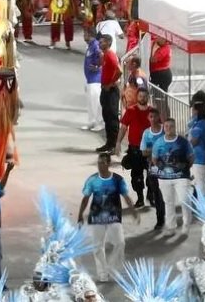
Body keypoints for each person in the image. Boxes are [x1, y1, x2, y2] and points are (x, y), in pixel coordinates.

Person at [77, 153, 138, 284]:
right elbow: (85, 199)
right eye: (99, 162)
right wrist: (80, 215)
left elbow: (126, 197)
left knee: (120, 243)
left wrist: (134, 212)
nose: (100, 165)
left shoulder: (117, 179)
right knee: (97, 246)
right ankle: (102, 273)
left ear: (109, 164)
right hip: (96, 217)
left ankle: (111, 267)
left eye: (103, 162)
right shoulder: (92, 180)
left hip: (114, 217)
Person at [152, 117, 193, 236]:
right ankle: (171, 226)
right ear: (163, 128)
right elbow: (154, 159)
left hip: (181, 177)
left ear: (175, 127)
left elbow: (191, 158)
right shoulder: (158, 142)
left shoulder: (183, 142)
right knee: (168, 202)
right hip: (164, 178)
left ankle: (186, 225)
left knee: (184, 200)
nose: (169, 129)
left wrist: (182, 169)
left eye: (171, 126)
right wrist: (163, 169)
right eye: (166, 126)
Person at [114, 87, 152, 206]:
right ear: (137, 97)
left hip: (150, 150)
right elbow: (124, 128)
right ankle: (140, 198)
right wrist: (118, 142)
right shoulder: (131, 111)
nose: (142, 98)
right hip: (135, 149)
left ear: (148, 97)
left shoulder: (153, 111)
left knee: (152, 175)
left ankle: (150, 196)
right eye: (140, 96)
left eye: (144, 96)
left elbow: (159, 128)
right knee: (137, 176)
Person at [139, 107, 165, 230]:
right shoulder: (146, 133)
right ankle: (160, 219)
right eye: (151, 117)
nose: (153, 119)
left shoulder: (164, 131)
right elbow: (143, 152)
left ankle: (165, 216)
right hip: (152, 168)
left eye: (155, 116)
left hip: (165, 167)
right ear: (148, 118)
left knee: (165, 194)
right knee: (157, 193)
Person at [97, 34, 122, 153]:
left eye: (102, 42)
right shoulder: (105, 55)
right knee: (106, 117)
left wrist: (111, 83)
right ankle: (109, 143)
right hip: (105, 90)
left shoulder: (111, 55)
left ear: (108, 43)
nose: (99, 44)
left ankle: (114, 145)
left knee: (112, 118)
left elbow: (120, 70)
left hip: (111, 91)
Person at [187, 91, 205, 196]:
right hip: (199, 156)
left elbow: (194, 141)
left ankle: (203, 203)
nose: (192, 111)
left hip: (198, 156)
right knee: (199, 180)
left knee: (200, 181)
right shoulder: (202, 122)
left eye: (193, 109)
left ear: (197, 110)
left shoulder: (200, 125)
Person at [82, 32, 104, 132]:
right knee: (90, 102)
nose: (83, 36)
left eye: (85, 34)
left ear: (91, 35)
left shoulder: (95, 45)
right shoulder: (89, 46)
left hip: (95, 79)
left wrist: (98, 67)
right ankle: (91, 121)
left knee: (96, 102)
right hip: (89, 78)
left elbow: (101, 56)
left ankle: (99, 123)